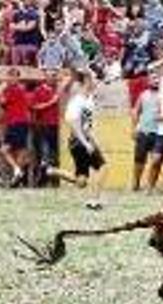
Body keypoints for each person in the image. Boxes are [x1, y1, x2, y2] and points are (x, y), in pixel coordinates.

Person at [48, 70, 107, 209]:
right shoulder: (78, 100)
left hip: (81, 140)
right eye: (94, 79)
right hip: (79, 140)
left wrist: (92, 140)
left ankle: (52, 171)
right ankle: (94, 201)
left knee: (81, 181)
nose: (96, 82)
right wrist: (86, 142)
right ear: (86, 81)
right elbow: (73, 123)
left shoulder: (89, 99)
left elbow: (87, 125)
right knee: (103, 167)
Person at [30, 69, 64, 185]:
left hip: (57, 126)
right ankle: (41, 180)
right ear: (45, 77)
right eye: (50, 76)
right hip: (43, 126)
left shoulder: (58, 90)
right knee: (44, 153)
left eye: (54, 76)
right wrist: (51, 102)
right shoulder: (38, 90)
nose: (52, 78)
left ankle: (54, 180)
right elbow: (34, 107)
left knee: (55, 154)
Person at [0, 67, 31, 187]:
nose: (11, 78)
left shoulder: (14, 89)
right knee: (19, 150)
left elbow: (2, 101)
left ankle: (17, 171)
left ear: (18, 78)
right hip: (19, 123)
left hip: (16, 123)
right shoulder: (16, 89)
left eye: (14, 76)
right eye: (10, 76)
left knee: (5, 150)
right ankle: (17, 176)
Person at [130, 73, 159, 190]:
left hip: (158, 132)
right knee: (139, 160)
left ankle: (150, 186)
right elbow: (136, 111)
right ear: (148, 81)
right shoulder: (143, 95)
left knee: (156, 161)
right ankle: (135, 184)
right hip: (143, 131)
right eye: (153, 79)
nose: (156, 81)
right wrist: (134, 128)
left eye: (157, 79)